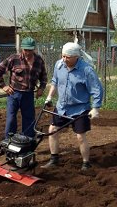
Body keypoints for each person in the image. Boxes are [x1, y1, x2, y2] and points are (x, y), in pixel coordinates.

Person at [41, 42, 103, 171]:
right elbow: (55, 82)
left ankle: (86, 163)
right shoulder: (59, 65)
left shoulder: (86, 70)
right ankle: (54, 159)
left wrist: (96, 108)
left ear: (76, 57)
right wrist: (49, 97)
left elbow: (97, 89)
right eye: (63, 56)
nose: (64, 59)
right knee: (52, 130)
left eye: (67, 57)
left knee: (80, 136)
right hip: (62, 106)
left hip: (80, 108)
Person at [0, 37, 47, 138]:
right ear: (22, 48)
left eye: (30, 50)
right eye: (26, 50)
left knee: (29, 120)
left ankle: (27, 142)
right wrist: (3, 86)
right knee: (11, 119)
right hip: (14, 94)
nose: (27, 52)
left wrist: (41, 88)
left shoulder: (39, 60)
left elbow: (44, 77)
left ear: (34, 49)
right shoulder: (14, 58)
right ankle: (9, 142)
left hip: (28, 95)